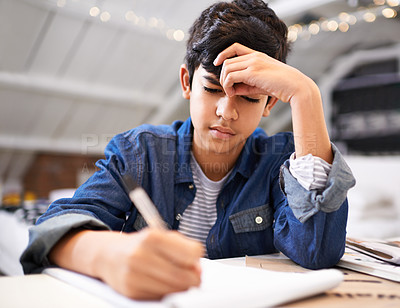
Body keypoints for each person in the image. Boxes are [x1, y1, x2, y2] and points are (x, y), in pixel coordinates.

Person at [21, 0, 355, 301]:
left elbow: (316, 249)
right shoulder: (139, 152)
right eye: (212, 89)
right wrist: (107, 255)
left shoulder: (280, 161)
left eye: (250, 97)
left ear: (269, 104)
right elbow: (54, 228)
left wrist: (306, 94)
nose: (227, 111)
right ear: (186, 83)